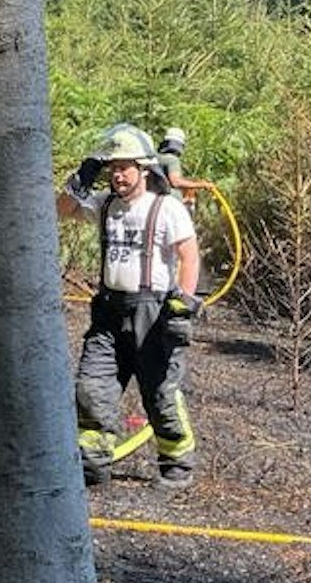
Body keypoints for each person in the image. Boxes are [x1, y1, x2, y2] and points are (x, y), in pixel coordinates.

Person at [57, 123, 205, 492]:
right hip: (109, 312)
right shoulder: (105, 205)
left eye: (125, 168)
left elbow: (189, 254)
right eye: (112, 168)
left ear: (145, 170)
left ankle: (177, 465)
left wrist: (183, 303)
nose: (118, 175)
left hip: (153, 313)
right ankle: (92, 465)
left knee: (160, 393)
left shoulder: (165, 207)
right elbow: (61, 209)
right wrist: (81, 177)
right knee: (92, 387)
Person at [156, 126, 216, 203]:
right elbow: (175, 182)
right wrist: (202, 185)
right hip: (169, 205)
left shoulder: (156, 158)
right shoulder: (172, 160)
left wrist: (185, 200)